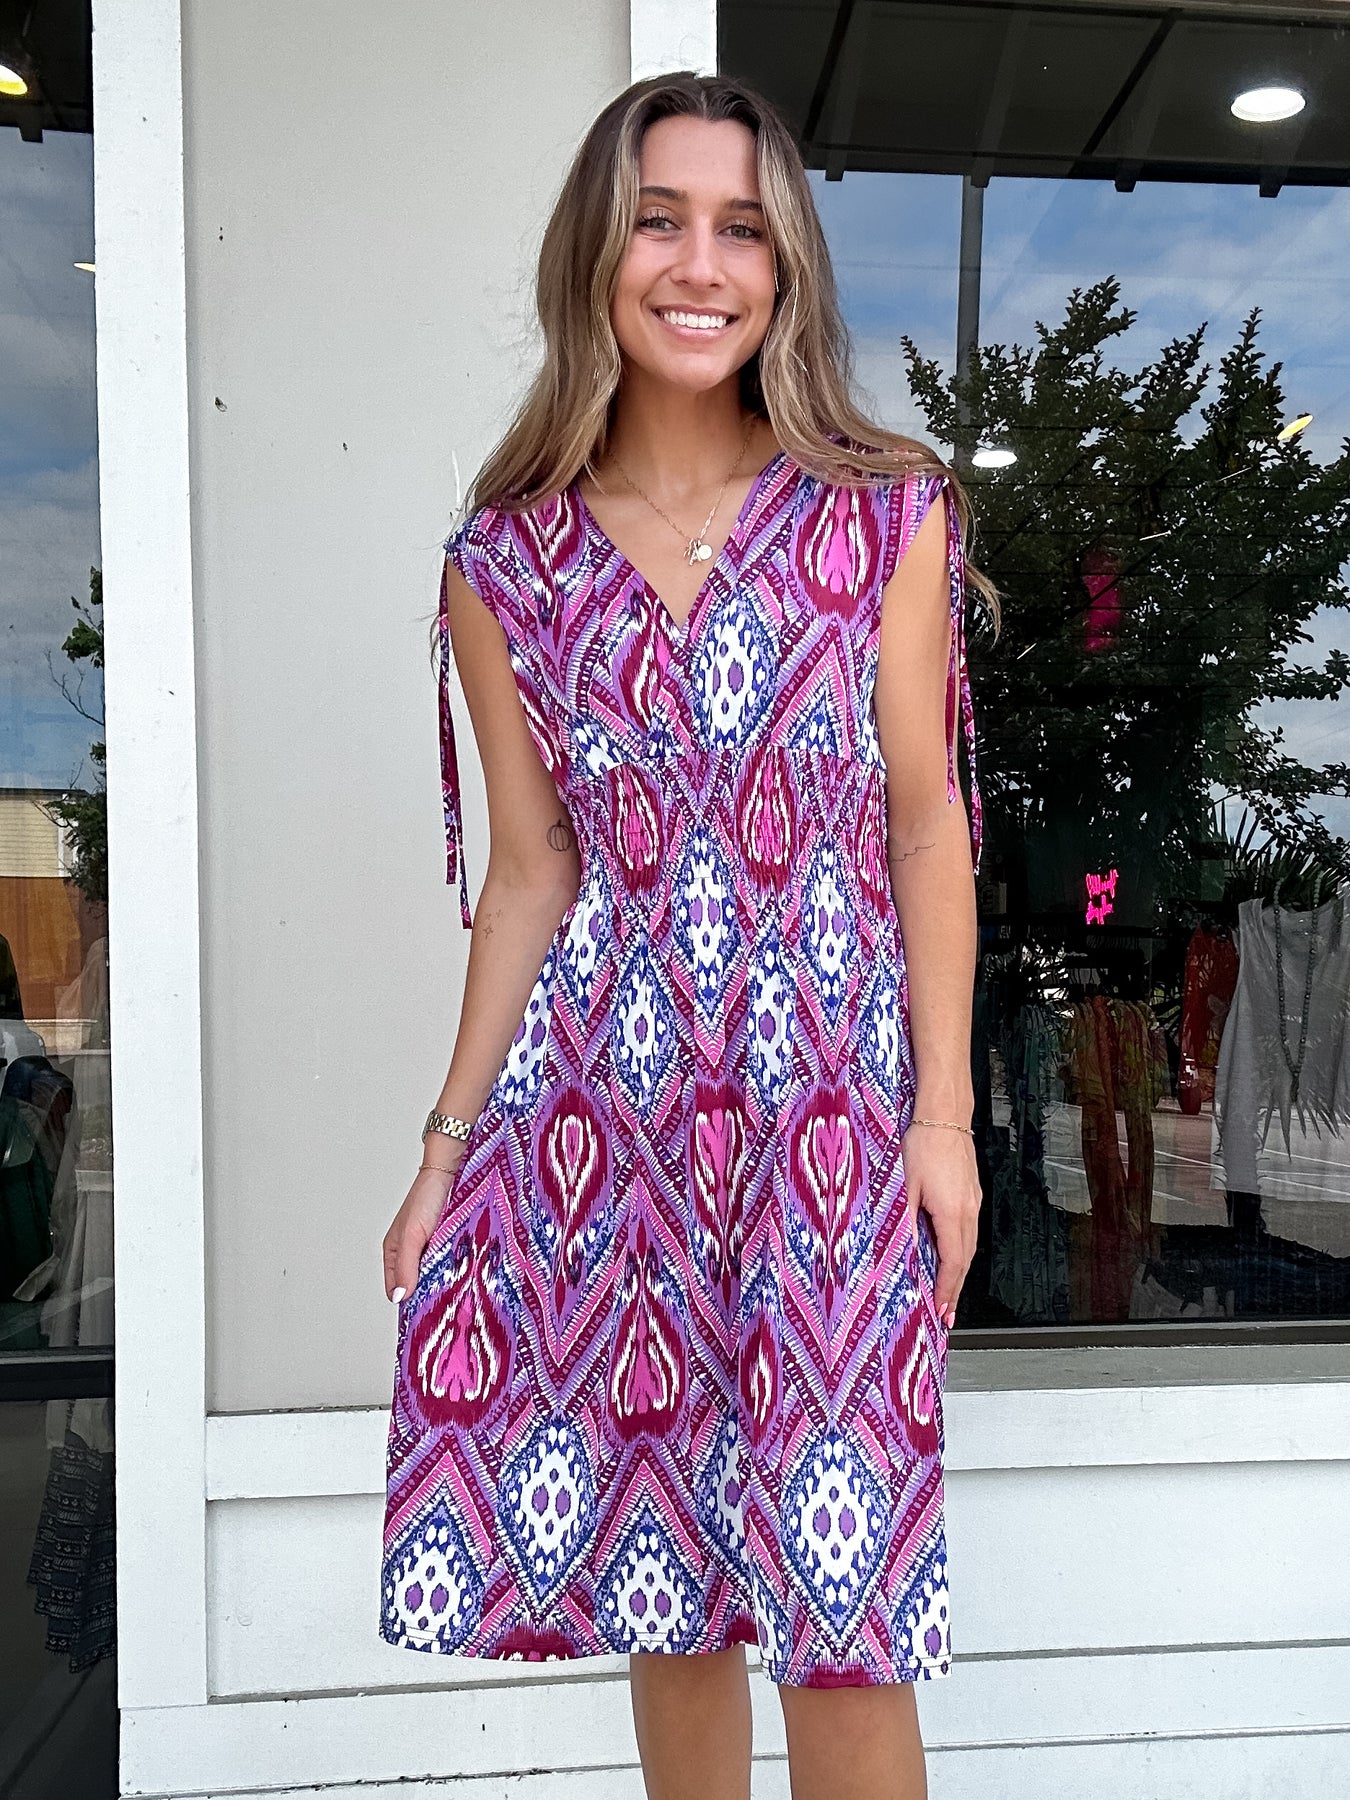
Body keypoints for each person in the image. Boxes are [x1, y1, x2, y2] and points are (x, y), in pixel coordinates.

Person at [380, 69, 989, 1800]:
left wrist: (942, 1119)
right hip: (611, 1121)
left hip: (829, 1123)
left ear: (784, 268)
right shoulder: (503, 562)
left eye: (742, 229)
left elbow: (924, 820)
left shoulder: (883, 513)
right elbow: (528, 874)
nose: (700, 264)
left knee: (845, 1612)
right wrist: (443, 1149)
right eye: (660, 220)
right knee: (672, 1596)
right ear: (599, 250)